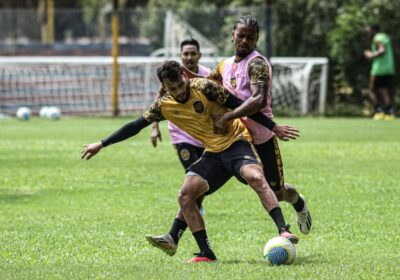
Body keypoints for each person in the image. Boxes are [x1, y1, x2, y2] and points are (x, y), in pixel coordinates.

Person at [82, 60, 300, 262]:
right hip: (213, 153)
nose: (178, 92)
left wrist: (273, 127)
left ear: (184, 77)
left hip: (237, 142)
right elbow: (134, 126)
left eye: (179, 85)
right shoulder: (163, 105)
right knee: (185, 195)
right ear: (164, 87)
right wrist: (101, 144)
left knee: (255, 177)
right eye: (172, 89)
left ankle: (283, 229)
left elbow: (238, 104)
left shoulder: (204, 87)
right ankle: (205, 253)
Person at [146, 16, 311, 257]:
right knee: (194, 189)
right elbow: (201, 83)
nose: (245, 40)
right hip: (230, 139)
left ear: (256, 39)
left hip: (260, 136)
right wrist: (172, 80)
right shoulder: (224, 65)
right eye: (241, 35)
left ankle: (298, 203)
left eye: (251, 37)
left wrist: (228, 116)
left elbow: (258, 100)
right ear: (232, 34)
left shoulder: (257, 65)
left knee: (276, 192)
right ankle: (176, 236)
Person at [151, 38, 210, 216]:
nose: (189, 57)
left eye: (193, 53)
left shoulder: (206, 75)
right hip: (181, 134)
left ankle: (193, 204)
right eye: (186, 53)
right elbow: (159, 100)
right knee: (193, 170)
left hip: (204, 133)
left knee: (203, 174)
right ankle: (191, 207)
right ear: (180, 55)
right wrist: (155, 126)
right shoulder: (171, 77)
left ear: (199, 55)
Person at [364, 24, 396, 120]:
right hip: (389, 67)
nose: (368, 32)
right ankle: (390, 113)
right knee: (384, 91)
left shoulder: (377, 38)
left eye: (368, 30)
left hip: (379, 69)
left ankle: (379, 111)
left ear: (373, 30)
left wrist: (371, 55)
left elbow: (382, 51)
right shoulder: (385, 37)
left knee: (371, 90)